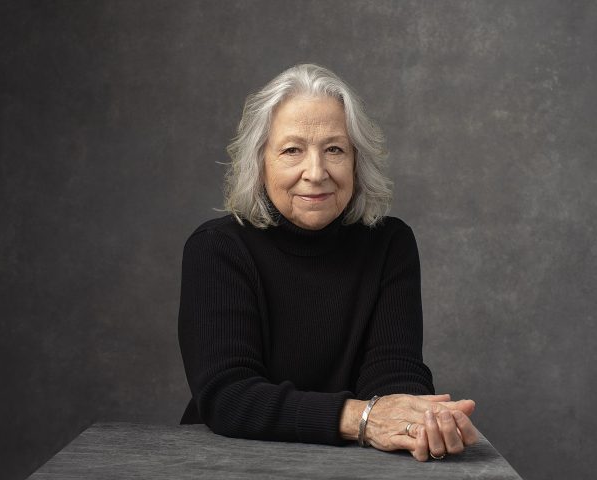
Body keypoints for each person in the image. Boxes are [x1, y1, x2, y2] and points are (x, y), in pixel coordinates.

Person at [178, 64, 478, 462]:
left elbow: (394, 371)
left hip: (354, 463)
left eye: (334, 149)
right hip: (228, 460)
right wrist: (364, 418)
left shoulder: (390, 243)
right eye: (292, 150)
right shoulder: (217, 247)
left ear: (356, 161)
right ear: (260, 162)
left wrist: (423, 420)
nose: (315, 173)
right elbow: (230, 396)